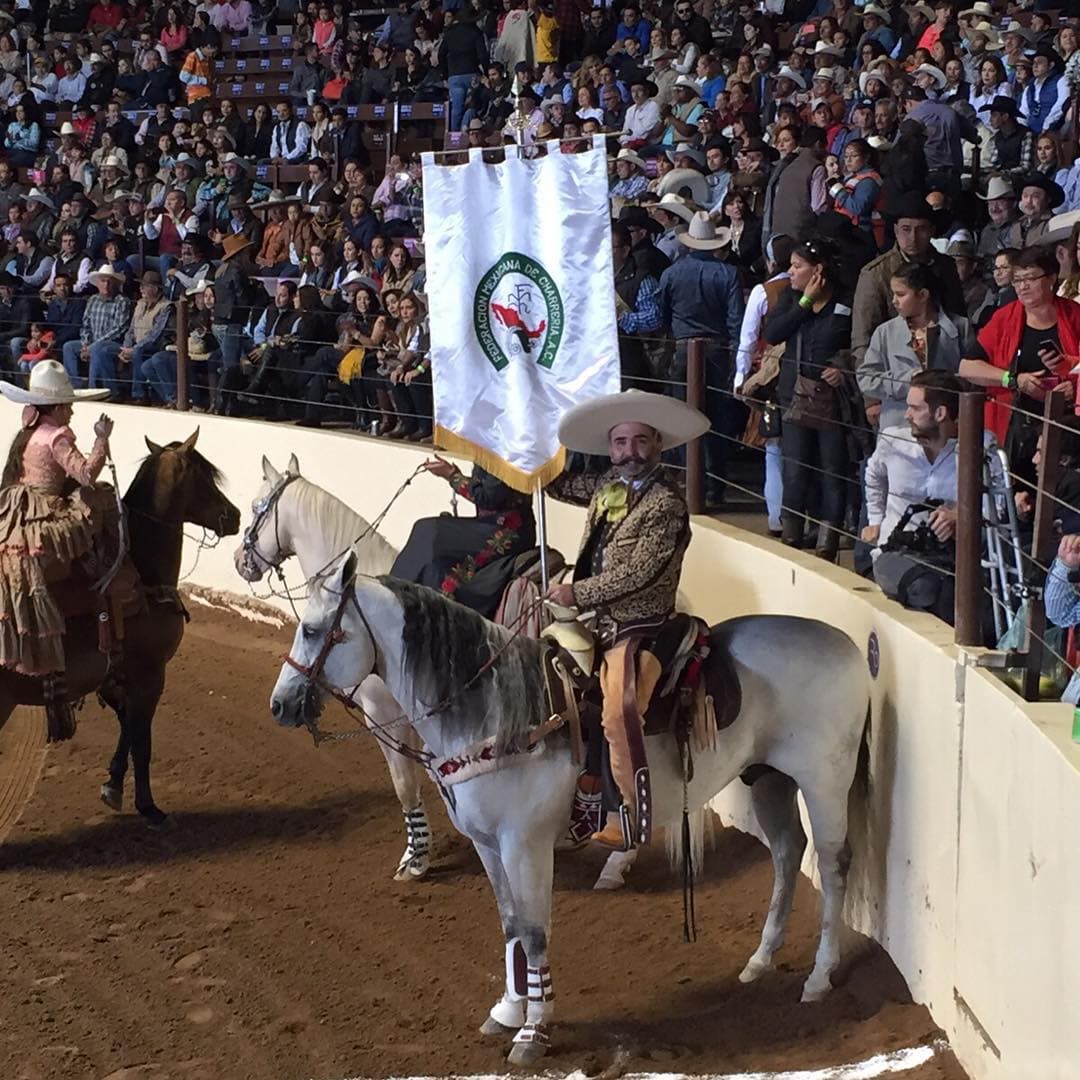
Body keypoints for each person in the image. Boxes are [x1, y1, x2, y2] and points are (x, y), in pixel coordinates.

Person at [544, 389, 708, 850]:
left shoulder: (667, 503)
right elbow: (555, 483)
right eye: (619, 442)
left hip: (641, 623)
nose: (628, 452)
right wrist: (531, 442)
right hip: (597, 620)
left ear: (657, 444)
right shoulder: (607, 488)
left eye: (639, 441)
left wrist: (577, 592)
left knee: (618, 712)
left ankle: (631, 815)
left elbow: (640, 574)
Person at [0, 360, 112, 738]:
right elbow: (86, 473)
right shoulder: (58, 435)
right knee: (98, 508)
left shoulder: (29, 432)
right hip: (43, 513)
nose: (72, 408)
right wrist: (101, 438)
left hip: (17, 508)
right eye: (67, 403)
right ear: (58, 407)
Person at [763, 237, 854, 559]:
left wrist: (843, 367)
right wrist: (805, 302)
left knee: (832, 468)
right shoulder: (790, 297)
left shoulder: (845, 302)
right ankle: (792, 535)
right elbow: (773, 334)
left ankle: (828, 540)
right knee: (795, 469)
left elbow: (855, 345)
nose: (790, 272)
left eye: (797, 266)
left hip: (832, 399)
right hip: (794, 395)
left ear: (818, 271)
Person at [959, 246, 1080, 474]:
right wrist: (1013, 380)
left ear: (1052, 278)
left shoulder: (1075, 315)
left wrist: (1075, 385)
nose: (1022, 287)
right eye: (1017, 280)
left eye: (1031, 279)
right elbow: (966, 367)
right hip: (1014, 423)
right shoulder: (1004, 318)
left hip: (1066, 426)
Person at [656, 211, 744, 503]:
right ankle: (714, 483)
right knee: (716, 416)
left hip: (683, 348)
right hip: (717, 349)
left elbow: (663, 316)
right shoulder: (728, 273)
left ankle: (687, 478)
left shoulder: (672, 273)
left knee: (682, 414)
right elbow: (735, 319)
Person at [391, 458, 536, 618]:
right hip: (489, 524)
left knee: (431, 531)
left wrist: (452, 476)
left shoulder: (506, 450)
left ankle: (401, 600)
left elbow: (489, 497)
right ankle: (398, 597)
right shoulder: (489, 445)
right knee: (425, 531)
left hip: (508, 531)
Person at [858, 262, 971, 431]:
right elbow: (866, 379)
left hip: (946, 426)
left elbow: (973, 379)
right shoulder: (885, 332)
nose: (894, 301)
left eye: (901, 294)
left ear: (923, 294)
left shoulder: (960, 327)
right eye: (893, 294)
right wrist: (907, 380)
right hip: (899, 424)